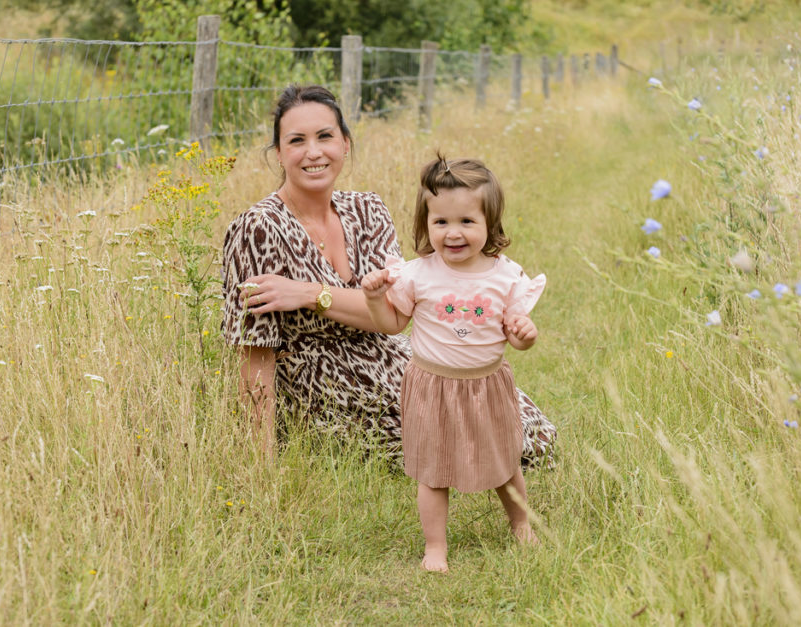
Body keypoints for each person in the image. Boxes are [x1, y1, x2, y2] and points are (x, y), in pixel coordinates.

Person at [221, 84, 555, 467]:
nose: (313, 152)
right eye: (297, 141)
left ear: (345, 144)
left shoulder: (367, 209)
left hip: (396, 356)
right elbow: (253, 354)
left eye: (325, 136)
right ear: (279, 153)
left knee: (531, 431)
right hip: (326, 384)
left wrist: (310, 293)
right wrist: (259, 465)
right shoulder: (257, 228)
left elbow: (396, 313)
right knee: (480, 449)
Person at [361, 155, 545, 572]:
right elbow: (392, 325)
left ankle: (522, 526)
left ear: (490, 224)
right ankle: (435, 548)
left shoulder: (505, 277)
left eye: (466, 221)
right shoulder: (416, 275)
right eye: (440, 222)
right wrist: (375, 299)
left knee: (503, 463)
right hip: (432, 385)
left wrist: (524, 335)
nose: (453, 233)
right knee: (433, 470)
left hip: (486, 384)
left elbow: (516, 336)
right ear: (426, 224)